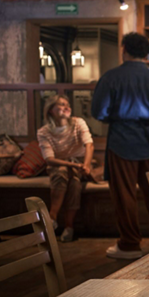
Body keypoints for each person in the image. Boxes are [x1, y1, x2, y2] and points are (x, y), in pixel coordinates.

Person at [91, 32, 149, 260]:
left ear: (123, 48)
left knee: (124, 194)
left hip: (121, 142)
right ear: (146, 53)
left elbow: (99, 112)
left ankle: (129, 244)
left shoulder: (111, 77)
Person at [36, 95, 94, 243]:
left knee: (75, 181)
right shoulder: (43, 132)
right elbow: (49, 159)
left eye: (68, 104)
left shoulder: (78, 122)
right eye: (61, 105)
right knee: (65, 175)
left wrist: (86, 165)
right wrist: (72, 165)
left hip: (79, 163)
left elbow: (89, 144)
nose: (67, 107)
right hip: (58, 165)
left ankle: (63, 224)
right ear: (50, 110)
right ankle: (56, 219)